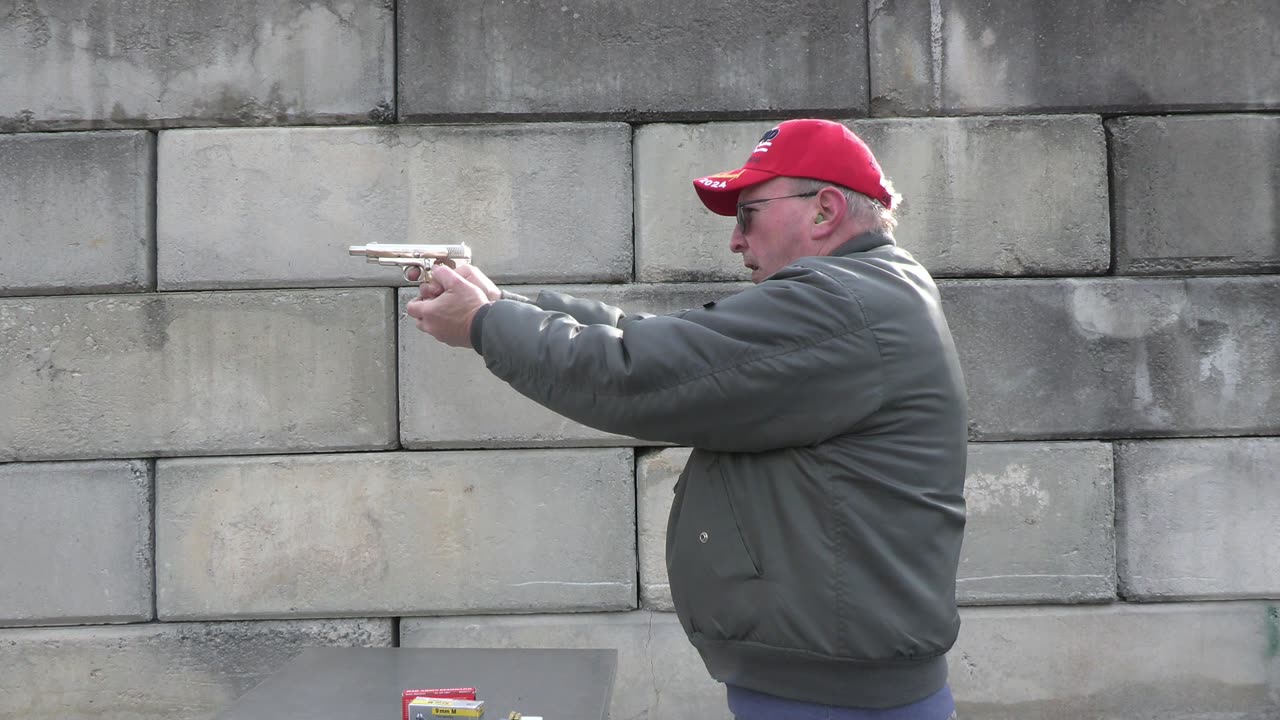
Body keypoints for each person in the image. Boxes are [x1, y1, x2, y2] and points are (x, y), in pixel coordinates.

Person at [406, 118, 967, 720]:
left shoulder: (841, 304)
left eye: (747, 213)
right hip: (834, 683)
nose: (735, 240)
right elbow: (664, 345)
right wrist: (502, 308)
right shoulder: (866, 292)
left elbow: (642, 372)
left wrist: (486, 328)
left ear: (825, 210)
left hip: (834, 699)